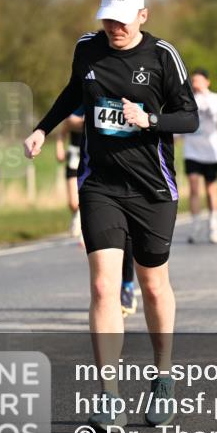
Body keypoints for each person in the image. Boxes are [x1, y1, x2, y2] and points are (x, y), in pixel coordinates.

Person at [22, 0, 198, 429]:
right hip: (100, 184)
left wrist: (150, 119)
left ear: (143, 16)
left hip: (152, 188)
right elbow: (73, 91)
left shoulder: (163, 56)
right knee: (103, 287)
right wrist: (44, 128)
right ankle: (109, 394)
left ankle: (163, 378)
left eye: (122, 19)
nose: (114, 26)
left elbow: (189, 117)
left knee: (154, 285)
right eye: (108, 17)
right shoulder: (87, 48)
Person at [58, 109, 137, 316]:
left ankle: (127, 285)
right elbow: (66, 122)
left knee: (126, 234)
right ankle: (109, 298)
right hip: (85, 163)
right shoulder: (84, 92)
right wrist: (59, 141)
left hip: (120, 165)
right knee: (76, 203)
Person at [183, 68, 217, 244]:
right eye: (193, 81)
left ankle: (213, 222)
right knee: (193, 187)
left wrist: (203, 94)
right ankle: (195, 224)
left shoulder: (214, 98)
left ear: (207, 82)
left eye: (199, 80)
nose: (195, 84)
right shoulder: (187, 98)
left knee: (210, 189)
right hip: (192, 150)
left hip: (210, 152)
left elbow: (214, 113)